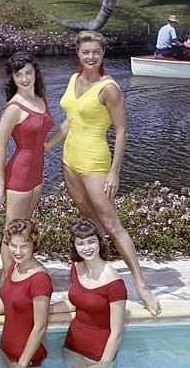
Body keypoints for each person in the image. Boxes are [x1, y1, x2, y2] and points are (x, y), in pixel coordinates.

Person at [47, 30, 161, 316]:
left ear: (102, 55)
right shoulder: (74, 80)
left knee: (111, 224)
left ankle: (141, 285)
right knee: (87, 217)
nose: (91, 56)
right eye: (86, 52)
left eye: (96, 52)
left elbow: (121, 130)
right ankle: (97, 274)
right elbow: (69, 122)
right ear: (78, 54)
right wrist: (46, 144)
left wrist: (114, 173)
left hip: (95, 160)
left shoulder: (109, 88)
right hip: (69, 159)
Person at [0, 52, 54, 277]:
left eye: (28, 73)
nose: (25, 78)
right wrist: (1, 183)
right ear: (13, 78)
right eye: (19, 75)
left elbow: (44, 144)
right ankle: (6, 281)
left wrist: (66, 129)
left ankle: (20, 275)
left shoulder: (41, 100)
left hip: (37, 172)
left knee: (25, 227)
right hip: (19, 172)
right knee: (11, 231)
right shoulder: (13, 108)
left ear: (35, 73)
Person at [0, 219, 52, 368]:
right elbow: (6, 303)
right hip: (6, 351)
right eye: (13, 246)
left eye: (24, 247)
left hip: (27, 360)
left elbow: (40, 327)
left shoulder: (40, 279)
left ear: (33, 245)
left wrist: (22, 365)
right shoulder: (15, 267)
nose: (17, 251)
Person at [50, 219, 127, 368]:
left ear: (99, 242)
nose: (86, 248)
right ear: (75, 246)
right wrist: (42, 309)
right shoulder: (76, 268)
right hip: (72, 346)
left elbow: (117, 333)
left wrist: (103, 365)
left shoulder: (115, 283)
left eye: (91, 242)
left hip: (98, 353)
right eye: (80, 243)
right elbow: (76, 302)